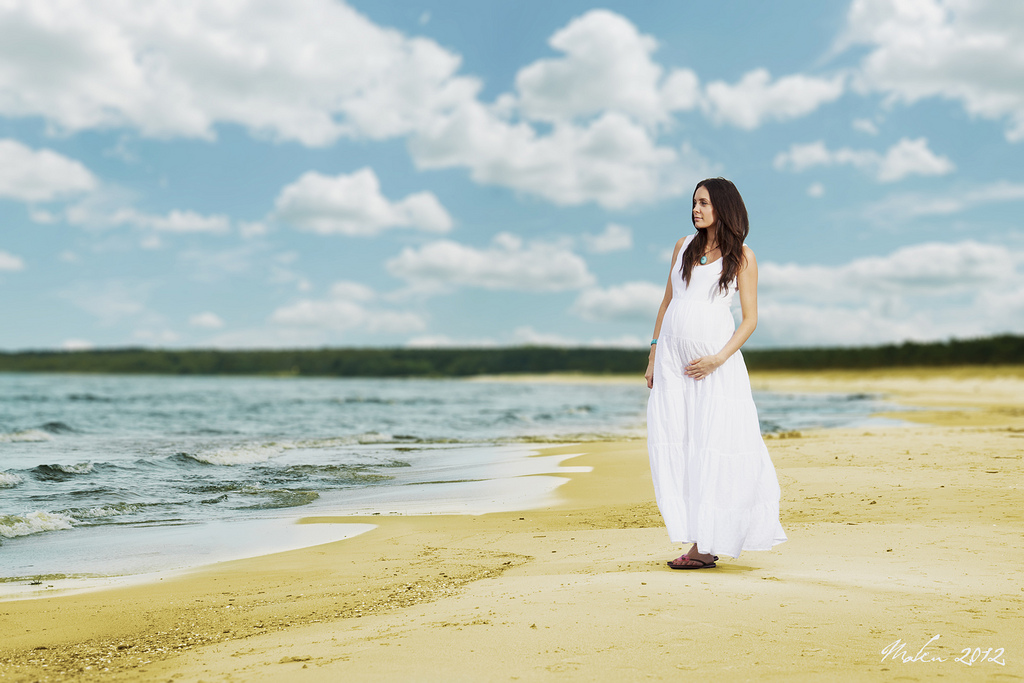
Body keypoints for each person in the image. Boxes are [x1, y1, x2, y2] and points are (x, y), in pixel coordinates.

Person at [645, 177, 786, 570]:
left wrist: (717, 358)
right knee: (681, 443)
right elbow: (667, 303)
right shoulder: (683, 248)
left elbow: (750, 319)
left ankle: (707, 546)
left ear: (723, 206)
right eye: (694, 203)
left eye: (704, 202)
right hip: (673, 363)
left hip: (713, 369)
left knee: (712, 445)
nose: (696, 209)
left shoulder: (743, 257)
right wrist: (654, 352)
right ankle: (698, 537)